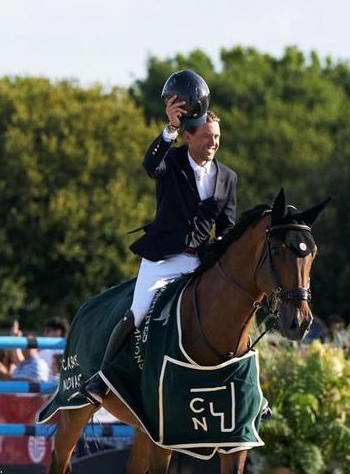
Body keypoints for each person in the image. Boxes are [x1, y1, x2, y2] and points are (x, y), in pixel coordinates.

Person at [81, 70, 238, 405]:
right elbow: (150, 165)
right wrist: (169, 128)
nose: (213, 143)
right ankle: (103, 377)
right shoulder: (173, 161)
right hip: (164, 258)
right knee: (139, 311)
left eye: (217, 137)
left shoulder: (228, 177)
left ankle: (237, 385)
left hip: (200, 261)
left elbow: (227, 226)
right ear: (189, 137)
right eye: (207, 137)